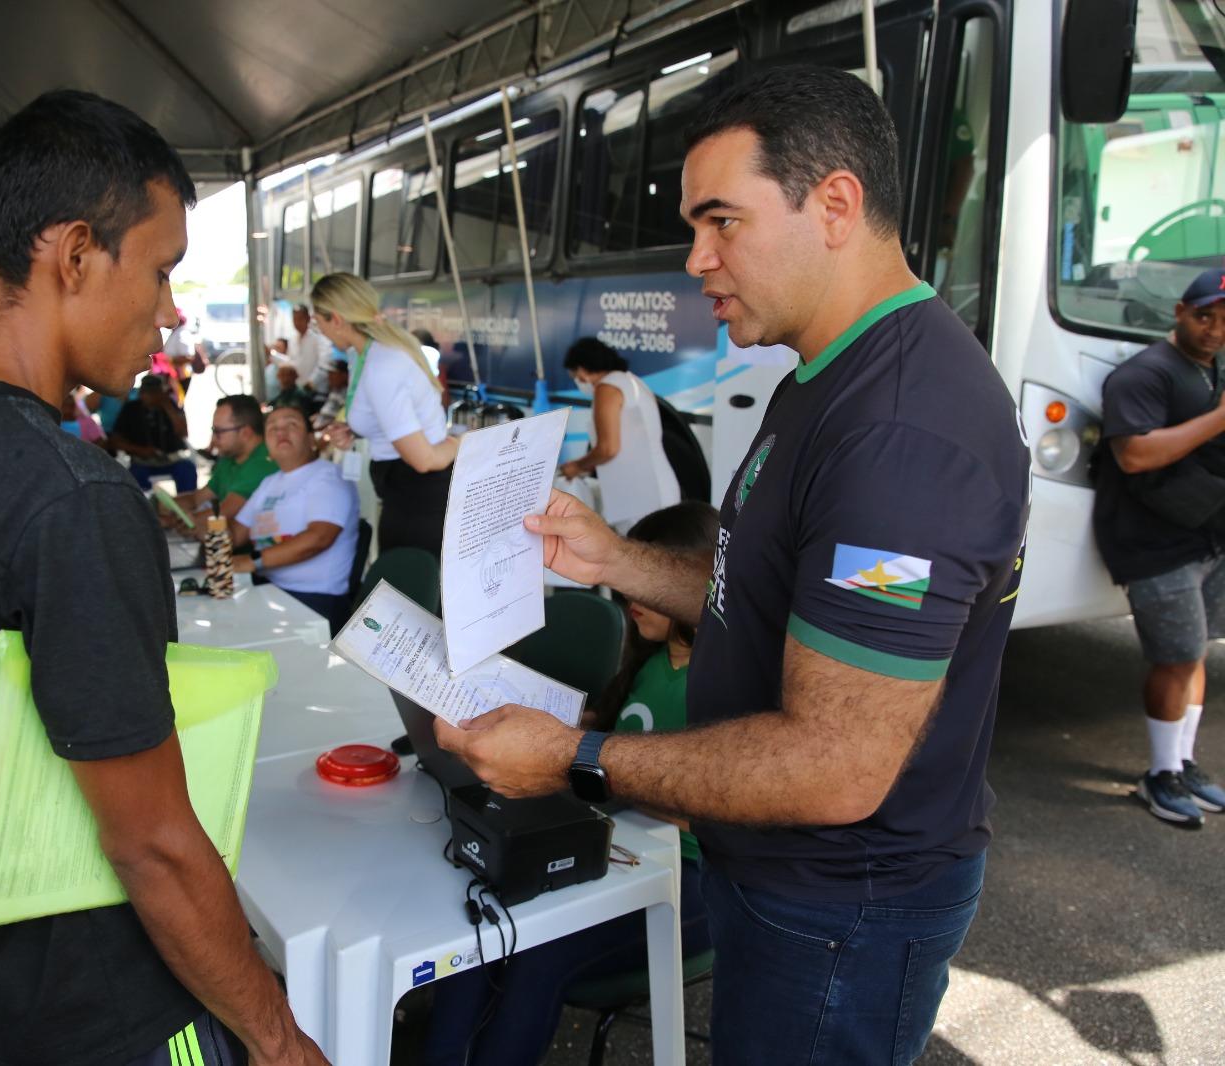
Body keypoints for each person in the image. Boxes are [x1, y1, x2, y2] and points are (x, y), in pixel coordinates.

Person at [432, 66, 1031, 1065]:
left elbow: (834, 766)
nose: (697, 259)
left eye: (722, 223)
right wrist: (617, 557)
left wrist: (577, 759)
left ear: (834, 204)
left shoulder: (900, 436)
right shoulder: (827, 372)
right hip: (791, 885)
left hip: (840, 907)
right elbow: (763, 592)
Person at [0, 89, 324, 1066]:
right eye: (162, 273)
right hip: (109, 1010)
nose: (169, 314)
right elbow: (153, 844)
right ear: (74, 254)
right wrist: (280, 1039)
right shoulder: (73, 497)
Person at [424, 501, 720, 1066]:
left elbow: (721, 805)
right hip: (618, 843)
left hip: (691, 880)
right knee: (483, 929)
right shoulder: (653, 661)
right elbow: (613, 731)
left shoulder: (720, 684)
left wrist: (605, 773)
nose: (634, 593)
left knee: (537, 953)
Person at [1093, 267, 1225, 828]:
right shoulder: (1144, 375)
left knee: (1195, 655)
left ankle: (1183, 761)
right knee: (1174, 659)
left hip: (1205, 537)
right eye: (1205, 316)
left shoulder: (1212, 367)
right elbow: (1135, 455)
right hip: (1154, 544)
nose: (1215, 330)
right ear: (1178, 312)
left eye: (1224, 321)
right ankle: (1159, 775)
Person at [314, 273, 458, 556]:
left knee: (409, 594)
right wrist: (353, 428)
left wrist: (462, 442)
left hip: (419, 497)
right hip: (401, 492)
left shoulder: (382, 365)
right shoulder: (364, 353)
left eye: (317, 321)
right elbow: (383, 410)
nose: (317, 329)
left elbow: (424, 460)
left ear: (336, 319)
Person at [229, 405, 359, 630]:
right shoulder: (270, 482)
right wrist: (196, 524)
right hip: (268, 592)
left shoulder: (328, 477)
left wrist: (252, 561)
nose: (281, 433)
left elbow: (319, 538)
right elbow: (236, 534)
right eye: (272, 428)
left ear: (311, 439)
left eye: (291, 425)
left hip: (313, 601)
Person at [559, 337, 681, 529]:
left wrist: (576, 466)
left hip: (640, 496)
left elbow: (608, 448)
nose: (578, 381)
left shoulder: (607, 388)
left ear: (582, 370)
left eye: (574, 375)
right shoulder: (631, 381)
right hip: (657, 487)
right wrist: (588, 467)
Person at [167, 395, 276, 532]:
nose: (213, 439)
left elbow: (224, 512)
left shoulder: (263, 462)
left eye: (219, 432)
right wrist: (167, 506)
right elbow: (197, 499)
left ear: (245, 433)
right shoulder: (230, 458)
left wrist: (177, 521)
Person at [110, 374, 197, 492]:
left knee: (187, 469)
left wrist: (168, 408)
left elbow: (183, 433)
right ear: (141, 393)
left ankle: (186, 505)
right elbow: (116, 440)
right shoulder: (131, 409)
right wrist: (139, 450)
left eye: (156, 393)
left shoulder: (169, 405)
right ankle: (144, 506)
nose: (152, 397)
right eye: (148, 393)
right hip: (142, 461)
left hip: (170, 460)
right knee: (134, 477)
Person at [313, 359, 348, 430]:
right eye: (329, 374)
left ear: (344, 375)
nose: (329, 377)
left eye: (333, 374)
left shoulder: (347, 395)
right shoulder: (335, 390)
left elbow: (341, 421)